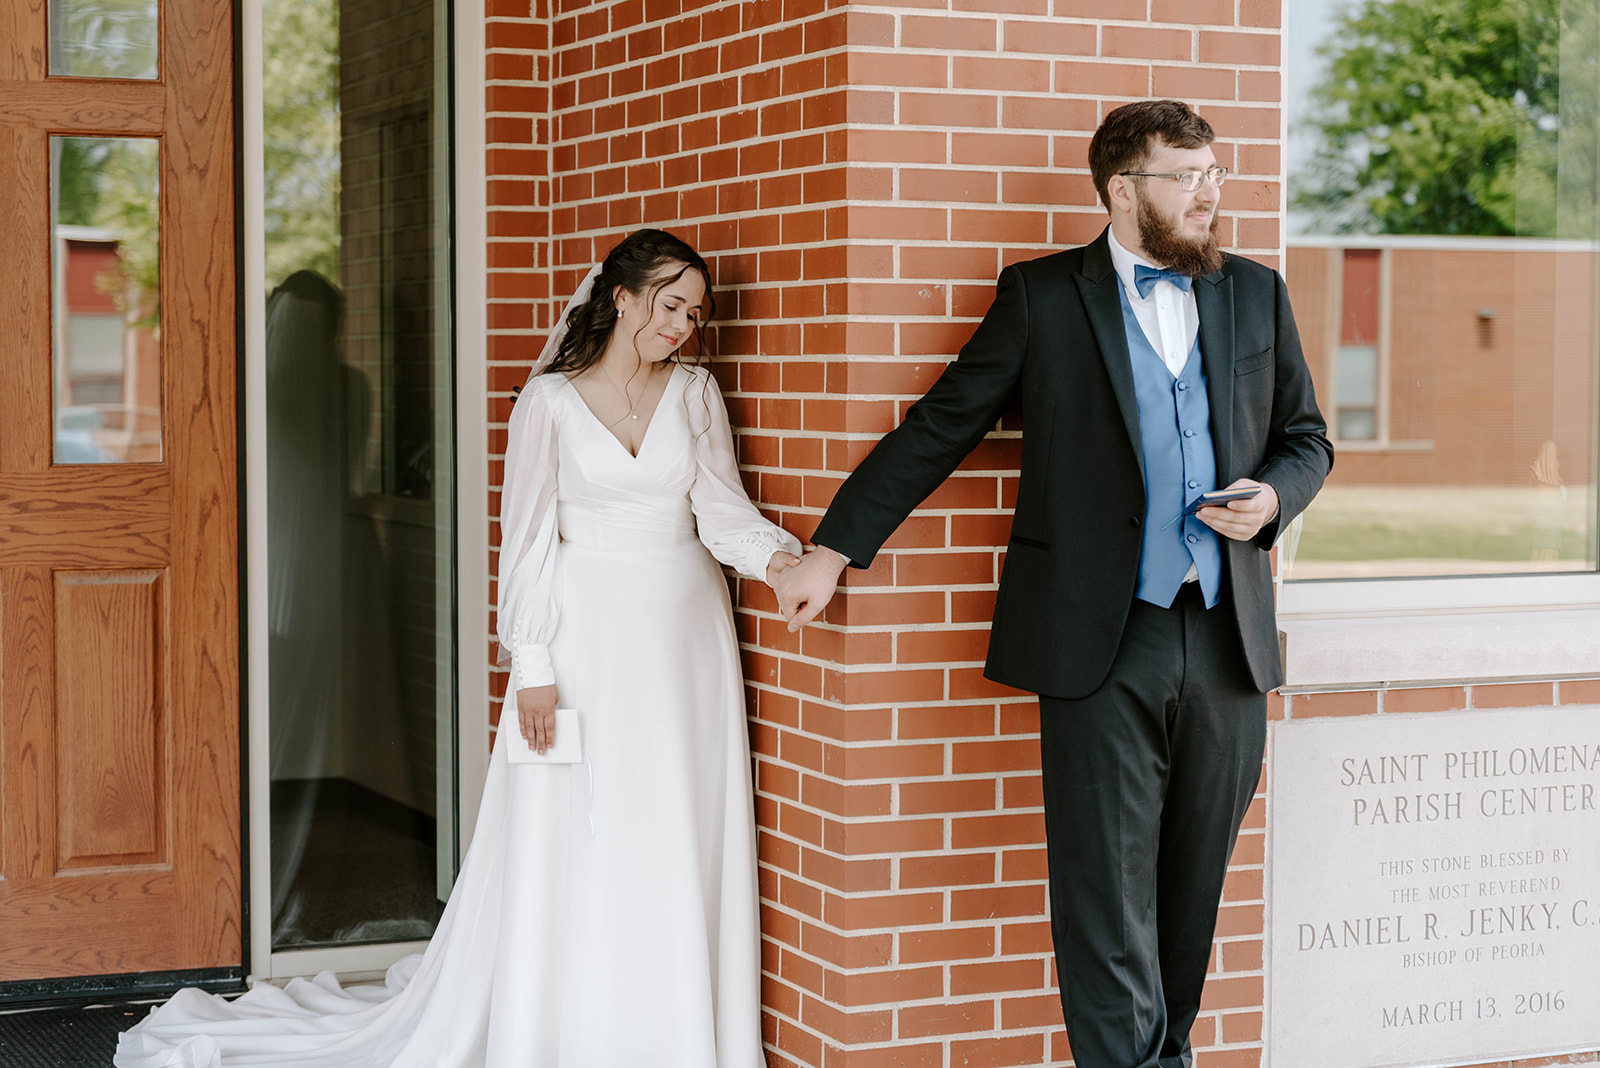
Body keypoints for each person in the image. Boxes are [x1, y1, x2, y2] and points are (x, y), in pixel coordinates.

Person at [115, 228, 801, 1068]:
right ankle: (569, 1017)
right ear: (622, 298)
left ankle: (669, 1020)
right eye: (669, 305)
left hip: (685, 632)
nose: (681, 326)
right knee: (576, 820)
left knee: (674, 816)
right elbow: (527, 541)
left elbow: (722, 507)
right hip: (583, 633)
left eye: (694, 313)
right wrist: (534, 667)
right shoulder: (549, 402)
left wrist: (780, 563)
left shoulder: (694, 391)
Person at [775, 100, 1334, 1068]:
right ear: (1122, 190)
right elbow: (941, 424)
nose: (1209, 194)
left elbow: (1307, 439)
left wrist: (1275, 498)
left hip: (1228, 634)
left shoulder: (1254, 292)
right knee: (1104, 895)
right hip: (1102, 636)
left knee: (1191, 891)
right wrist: (834, 548)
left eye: (1213, 173)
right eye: (1185, 177)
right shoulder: (1042, 297)